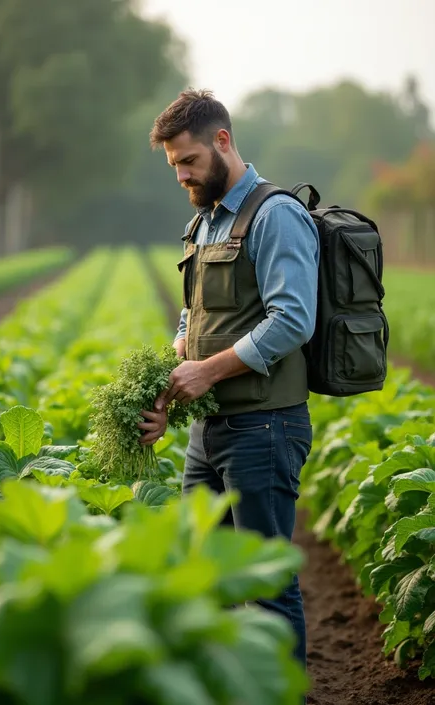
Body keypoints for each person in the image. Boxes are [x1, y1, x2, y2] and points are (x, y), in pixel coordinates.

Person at [137, 88, 320, 671]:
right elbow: (193, 322)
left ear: (222, 141)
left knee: (267, 585)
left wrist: (208, 371)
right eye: (174, 167)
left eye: (188, 161)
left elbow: (293, 318)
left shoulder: (276, 215)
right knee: (204, 571)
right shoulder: (203, 224)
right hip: (209, 433)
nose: (181, 176)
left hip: (265, 428)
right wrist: (169, 392)